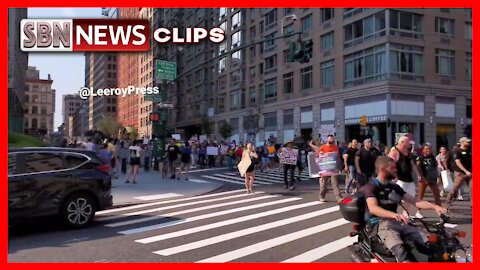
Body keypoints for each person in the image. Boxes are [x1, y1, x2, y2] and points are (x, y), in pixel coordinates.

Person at [362, 156, 447, 262]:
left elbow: (416, 201)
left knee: (428, 243)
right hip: (380, 223)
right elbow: (373, 208)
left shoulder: (394, 187)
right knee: (400, 250)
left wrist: (435, 207)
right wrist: (394, 215)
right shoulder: (372, 187)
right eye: (392, 168)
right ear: (383, 169)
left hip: (397, 222)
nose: (396, 170)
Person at [388, 136, 423, 217]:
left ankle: (405, 213)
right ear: (402, 142)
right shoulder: (394, 151)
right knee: (397, 198)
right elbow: (390, 164)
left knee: (410, 197)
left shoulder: (407, 152)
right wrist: (394, 176)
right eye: (407, 142)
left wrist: (417, 174)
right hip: (399, 179)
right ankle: (393, 215)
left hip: (409, 179)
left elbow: (412, 164)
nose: (409, 144)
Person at [309, 135, 343, 202]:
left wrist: (339, 166)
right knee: (323, 184)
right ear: (327, 140)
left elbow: (338, 158)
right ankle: (321, 197)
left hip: (333, 168)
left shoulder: (336, 147)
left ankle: (338, 198)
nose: (331, 140)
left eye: (332, 139)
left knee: (335, 183)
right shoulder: (322, 147)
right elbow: (318, 157)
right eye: (329, 139)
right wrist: (321, 154)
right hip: (324, 169)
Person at [416, 144, 442, 218]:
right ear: (423, 150)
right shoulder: (420, 157)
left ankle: (440, 211)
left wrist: (437, 177)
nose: (428, 150)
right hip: (423, 178)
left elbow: (434, 168)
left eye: (430, 149)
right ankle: (418, 211)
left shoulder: (432, 157)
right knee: (421, 195)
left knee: (436, 195)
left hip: (432, 178)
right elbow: (418, 167)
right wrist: (422, 177)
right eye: (426, 149)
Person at [446, 137, 472, 206]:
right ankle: (448, 200)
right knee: (455, 188)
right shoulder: (457, 151)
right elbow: (458, 162)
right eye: (467, 142)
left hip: (470, 173)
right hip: (460, 173)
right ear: (462, 142)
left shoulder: (468, 151)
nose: (469, 143)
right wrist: (465, 171)